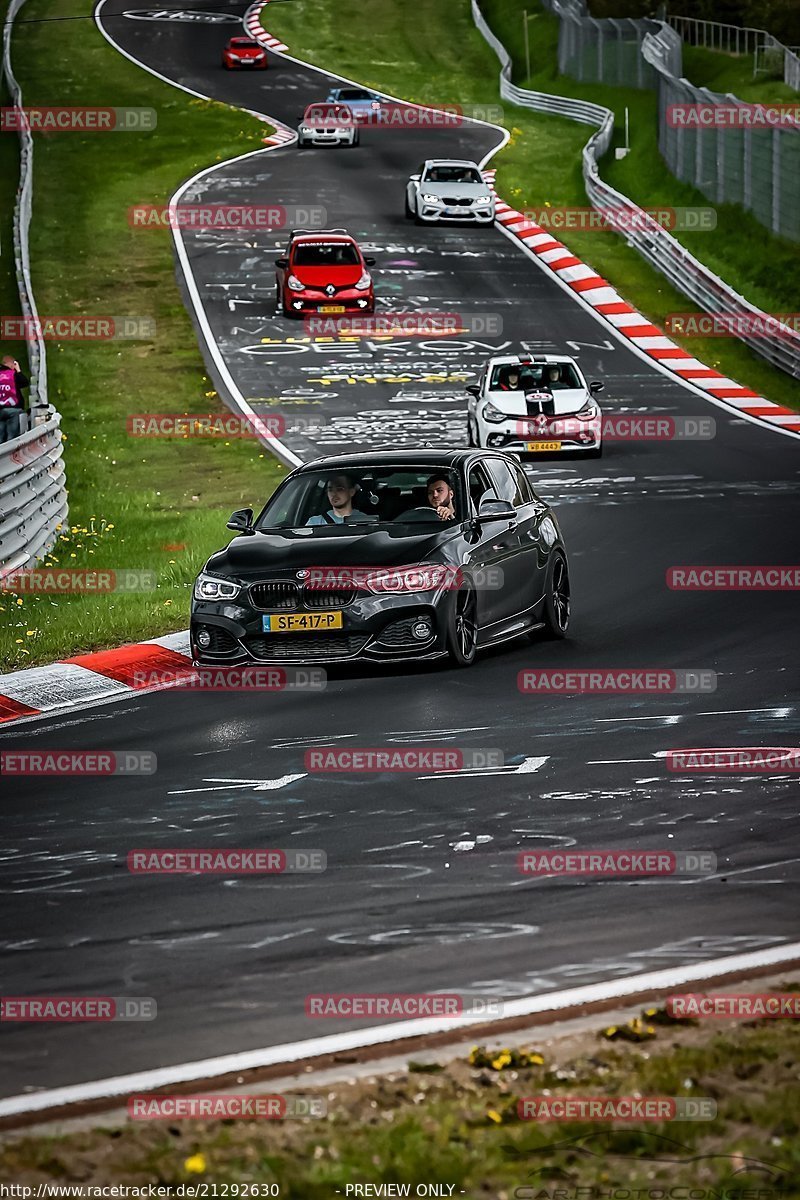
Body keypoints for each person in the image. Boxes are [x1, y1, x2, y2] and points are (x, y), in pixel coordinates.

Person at [305, 473, 375, 525]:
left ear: (351, 492)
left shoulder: (365, 520)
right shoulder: (315, 523)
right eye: (330, 490)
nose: (334, 494)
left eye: (339, 489)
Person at [0, 355, 29, 443]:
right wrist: (18, 370)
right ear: (13, 364)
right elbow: (24, 383)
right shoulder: (13, 374)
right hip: (14, 410)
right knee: (12, 438)